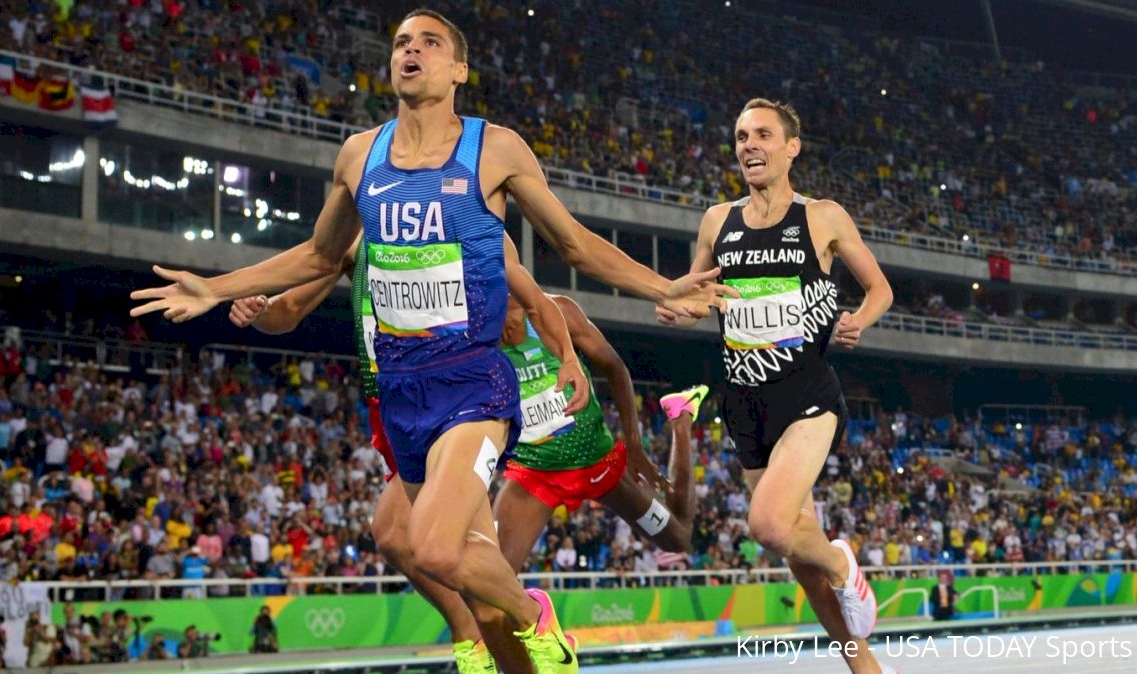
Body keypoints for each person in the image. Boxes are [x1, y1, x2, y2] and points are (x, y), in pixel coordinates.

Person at [131, 9, 732, 673]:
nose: (410, 51)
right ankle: (495, 645)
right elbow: (316, 257)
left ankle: (538, 618)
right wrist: (213, 289)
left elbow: (572, 244)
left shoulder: (494, 148)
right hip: (399, 393)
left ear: (458, 69)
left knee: (437, 549)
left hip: (474, 382)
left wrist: (664, 288)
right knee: (433, 549)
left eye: (429, 43)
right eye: (400, 43)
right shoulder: (360, 155)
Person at [229, 234, 583, 674]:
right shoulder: (354, 240)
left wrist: (561, 354)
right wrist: (261, 311)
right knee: (409, 545)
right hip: (394, 410)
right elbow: (290, 309)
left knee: (436, 557)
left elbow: (525, 297)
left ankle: (514, 627)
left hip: (453, 399)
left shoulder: (464, 213)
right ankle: (474, 631)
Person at [658, 98, 894, 674]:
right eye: (741, 136)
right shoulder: (717, 220)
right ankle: (863, 665)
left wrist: (859, 319)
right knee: (795, 550)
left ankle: (843, 564)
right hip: (744, 400)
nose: (749, 145)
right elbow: (698, 293)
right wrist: (679, 307)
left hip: (806, 393)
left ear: (792, 147)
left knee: (768, 525)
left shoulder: (823, 217)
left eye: (763, 134)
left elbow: (880, 288)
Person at [494, 293, 708, 579]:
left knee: (677, 539)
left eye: (509, 320)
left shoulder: (560, 312)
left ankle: (680, 418)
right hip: (534, 471)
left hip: (598, 462)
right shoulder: (476, 331)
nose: (504, 333)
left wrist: (633, 445)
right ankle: (537, 618)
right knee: (495, 578)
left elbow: (614, 367)